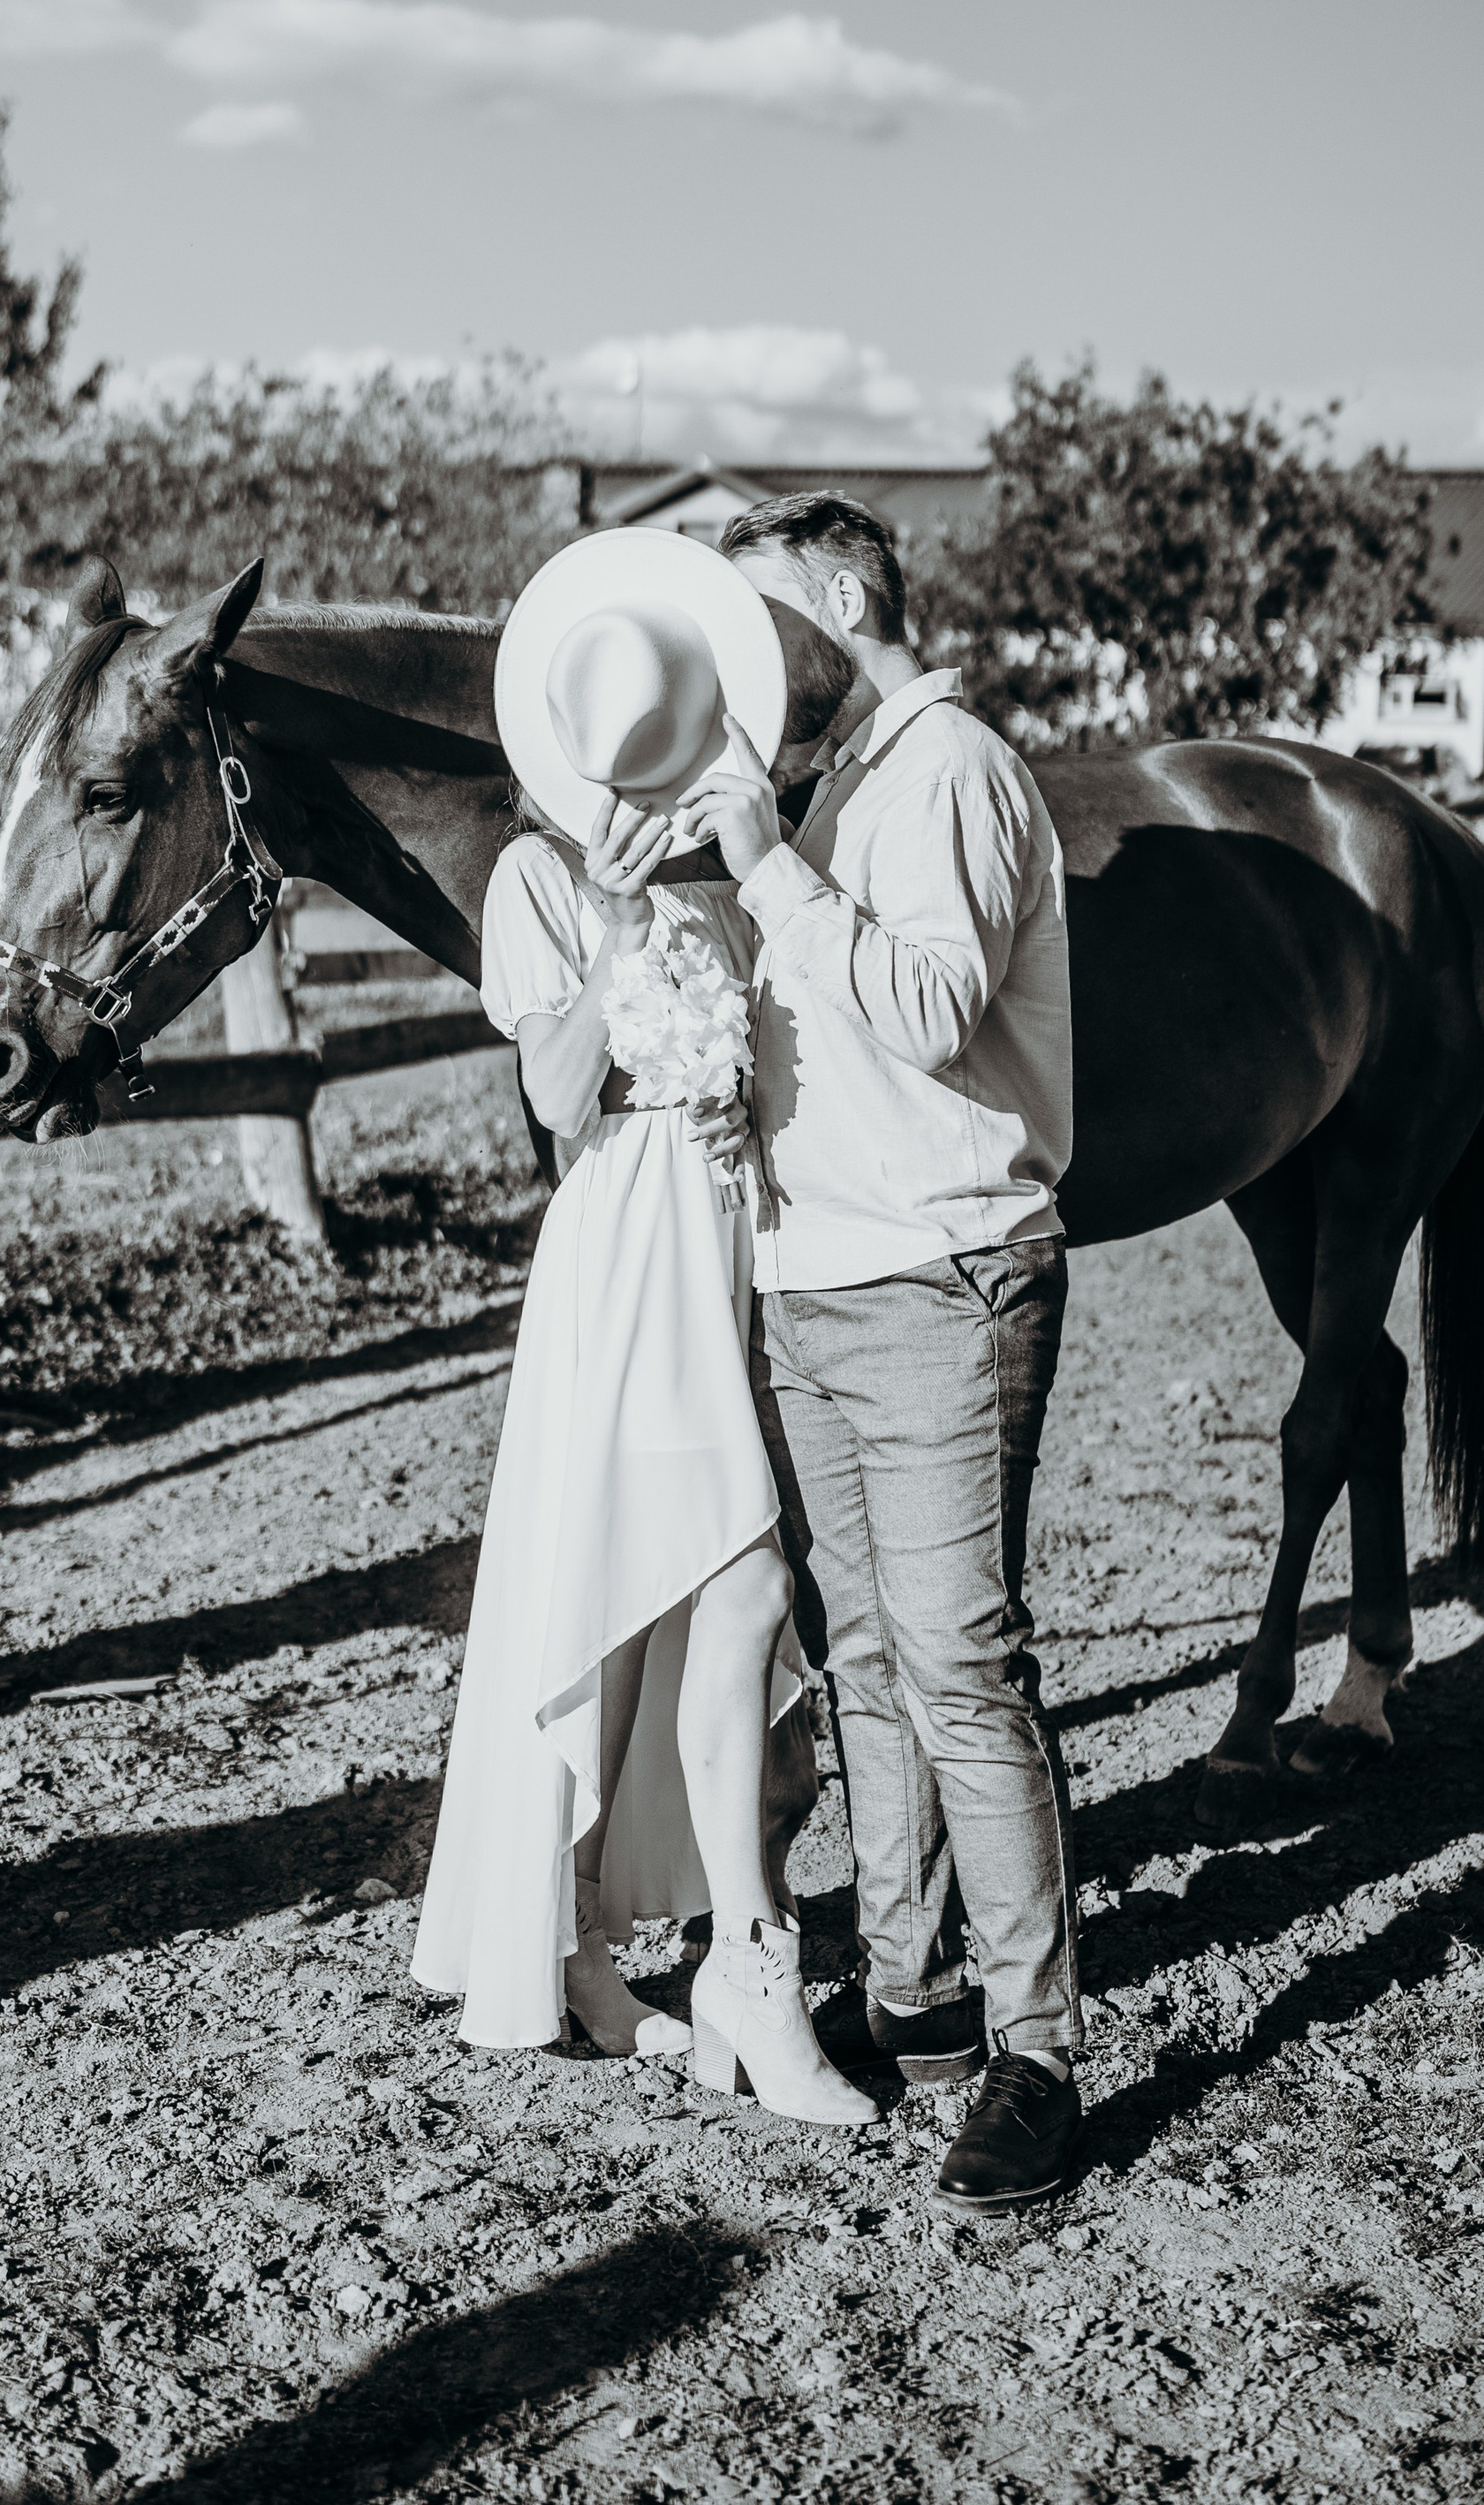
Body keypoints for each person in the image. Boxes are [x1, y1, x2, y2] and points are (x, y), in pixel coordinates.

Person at [411, 528, 874, 2129]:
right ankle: (609, 1944)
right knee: (639, 1589)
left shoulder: (735, 875)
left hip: (728, 1246)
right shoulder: (538, 879)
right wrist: (609, 940)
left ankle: (705, 1947)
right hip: (618, 1256)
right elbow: (550, 1102)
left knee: (721, 1587)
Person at [676, 490, 1080, 2214]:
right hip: (812, 1287)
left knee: (957, 1662)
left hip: (939, 1278)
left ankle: (1038, 2047)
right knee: (861, 1666)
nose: (732, 656)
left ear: (844, 597)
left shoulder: (952, 772)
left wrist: (760, 866)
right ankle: (912, 1995)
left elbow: (923, 1007)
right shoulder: (825, 784)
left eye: (755, 612)